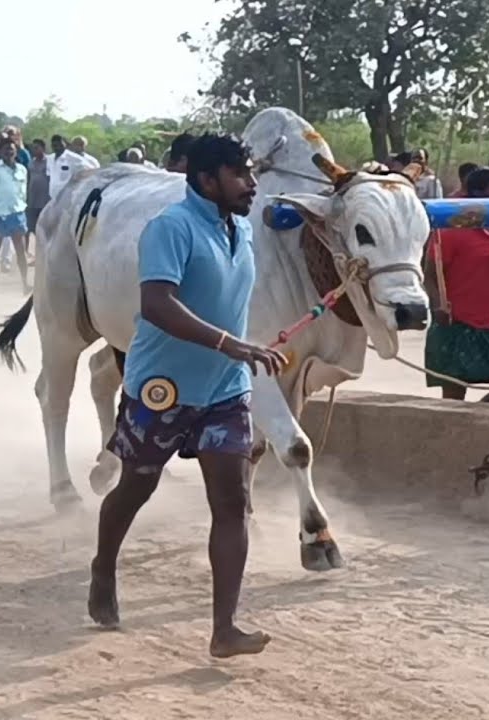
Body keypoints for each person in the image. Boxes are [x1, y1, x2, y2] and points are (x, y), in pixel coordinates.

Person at [87, 132, 287, 658]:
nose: (251, 183)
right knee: (137, 488)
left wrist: (242, 351)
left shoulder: (240, 231)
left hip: (225, 390)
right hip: (163, 389)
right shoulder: (169, 228)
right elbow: (156, 304)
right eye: (240, 173)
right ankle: (104, 566)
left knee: (232, 501)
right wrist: (230, 343)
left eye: (251, 173)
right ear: (206, 179)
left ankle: (225, 629)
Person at [422, 166, 489, 403]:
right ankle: (456, 436)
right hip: (456, 323)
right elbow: (430, 273)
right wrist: (437, 305)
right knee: (454, 396)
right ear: (477, 194)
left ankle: (473, 429)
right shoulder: (453, 230)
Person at [0, 137, 31, 293]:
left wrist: (22, 207)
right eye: (5, 150)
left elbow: (23, 192)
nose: (9, 152)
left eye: (11, 149)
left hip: (17, 213)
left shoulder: (22, 169)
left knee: (20, 250)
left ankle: (24, 283)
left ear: (16, 151)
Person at [47, 134, 88, 200]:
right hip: (53, 198)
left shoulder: (75, 159)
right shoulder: (50, 159)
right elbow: (49, 176)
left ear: (65, 145)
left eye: (60, 145)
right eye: (55, 146)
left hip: (69, 198)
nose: (58, 148)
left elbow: (84, 175)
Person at [26, 139, 50, 250]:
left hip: (45, 201)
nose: (34, 150)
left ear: (43, 148)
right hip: (32, 201)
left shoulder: (50, 162)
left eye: (37, 147)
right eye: (33, 148)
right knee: (31, 228)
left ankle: (45, 253)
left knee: (44, 230)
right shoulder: (31, 162)